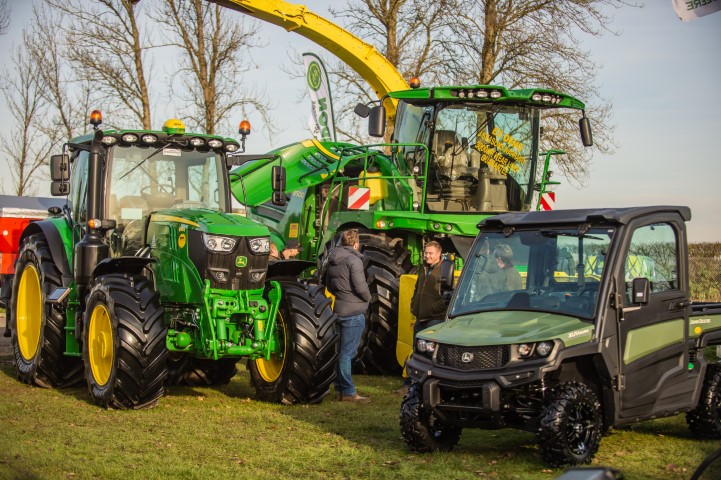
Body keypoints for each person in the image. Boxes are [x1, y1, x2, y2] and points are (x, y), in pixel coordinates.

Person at [325, 229, 372, 403]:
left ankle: (339, 389)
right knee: (347, 354)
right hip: (354, 312)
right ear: (356, 243)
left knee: (339, 353)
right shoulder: (354, 260)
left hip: (339, 309)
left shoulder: (332, 259)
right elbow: (360, 287)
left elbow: (329, 286)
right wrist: (368, 298)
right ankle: (349, 392)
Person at [400, 241, 450, 392]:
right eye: (426, 253)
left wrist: (433, 309)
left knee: (432, 354)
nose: (427, 256)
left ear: (438, 254)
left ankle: (432, 386)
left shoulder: (444, 270)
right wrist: (414, 304)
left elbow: (447, 296)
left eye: (430, 253)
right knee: (417, 353)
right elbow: (417, 288)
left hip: (434, 319)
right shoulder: (424, 268)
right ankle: (413, 385)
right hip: (420, 318)